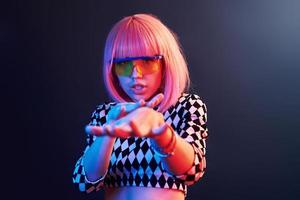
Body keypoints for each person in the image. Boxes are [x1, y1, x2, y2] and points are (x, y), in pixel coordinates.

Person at [72, 13, 209, 200]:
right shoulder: (106, 115)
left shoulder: (186, 106)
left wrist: (161, 133)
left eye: (147, 62)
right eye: (123, 64)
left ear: (166, 62)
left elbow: (192, 171)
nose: (135, 74)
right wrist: (107, 135)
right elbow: (84, 182)